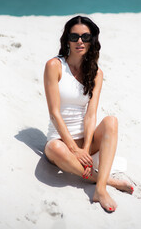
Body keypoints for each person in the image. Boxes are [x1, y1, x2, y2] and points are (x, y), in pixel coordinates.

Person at [44, 15, 134, 213]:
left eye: (85, 37)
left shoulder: (96, 73)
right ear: (66, 39)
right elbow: (54, 113)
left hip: (86, 140)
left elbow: (91, 114)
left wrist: (85, 147)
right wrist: (73, 149)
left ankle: (99, 189)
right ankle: (108, 180)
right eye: (74, 36)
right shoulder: (55, 66)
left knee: (111, 120)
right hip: (60, 141)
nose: (79, 41)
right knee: (55, 149)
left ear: (92, 40)